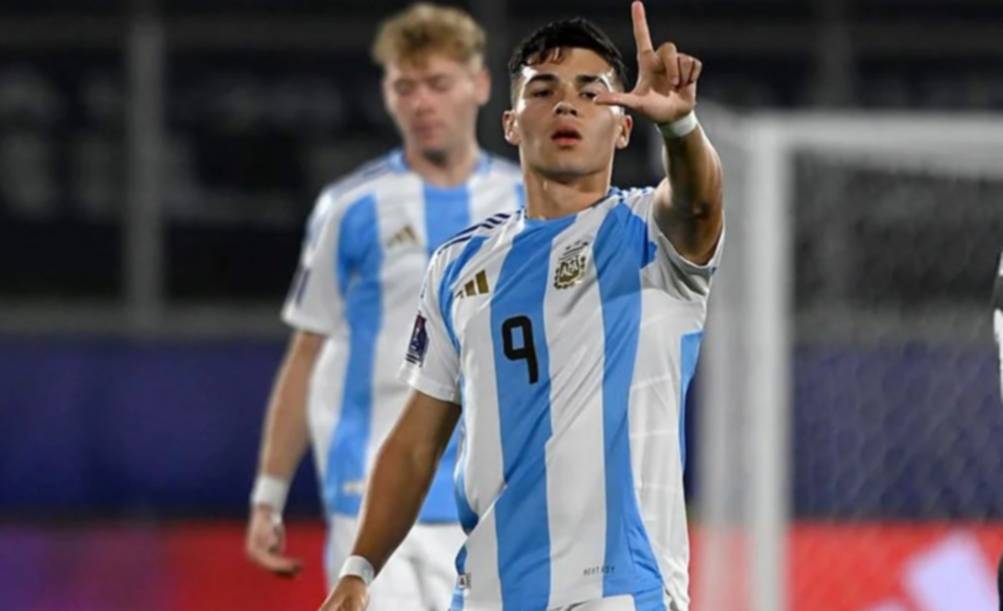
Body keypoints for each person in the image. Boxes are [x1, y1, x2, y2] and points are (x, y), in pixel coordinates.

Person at [320, 2, 724, 610]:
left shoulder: (648, 235)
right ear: (510, 123)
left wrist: (680, 128)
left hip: (619, 590)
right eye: (544, 90)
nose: (567, 105)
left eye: (592, 93)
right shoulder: (458, 267)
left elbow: (698, 204)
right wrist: (358, 570)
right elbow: (415, 444)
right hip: (489, 592)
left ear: (623, 126)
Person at [244, 4, 523, 609]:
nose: (422, 103)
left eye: (438, 84)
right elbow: (306, 353)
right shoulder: (351, 208)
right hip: (366, 491)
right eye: (405, 87)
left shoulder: (526, 200)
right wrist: (269, 494)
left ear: (479, 85)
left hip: (489, 501)